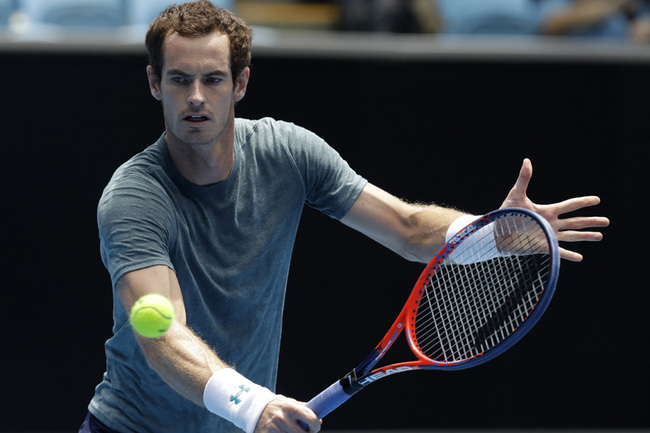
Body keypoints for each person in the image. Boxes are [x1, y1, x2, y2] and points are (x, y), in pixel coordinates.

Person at [78, 1, 609, 432]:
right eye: (179, 79)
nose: (196, 97)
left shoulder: (288, 153)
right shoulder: (134, 198)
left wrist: (492, 236)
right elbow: (162, 332)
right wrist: (250, 404)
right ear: (154, 83)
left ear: (240, 84)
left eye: (213, 79)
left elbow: (405, 228)